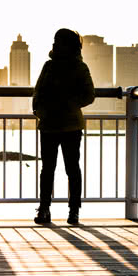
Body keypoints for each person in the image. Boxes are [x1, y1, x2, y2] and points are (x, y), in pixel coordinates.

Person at [32, 29, 95, 225]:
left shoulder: (78, 67)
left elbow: (89, 95)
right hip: (54, 124)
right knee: (53, 169)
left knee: (67, 169)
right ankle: (47, 209)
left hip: (66, 125)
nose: (54, 45)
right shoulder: (50, 66)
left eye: (57, 42)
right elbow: (38, 92)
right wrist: (39, 110)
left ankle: (70, 210)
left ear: (66, 45)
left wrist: (66, 104)